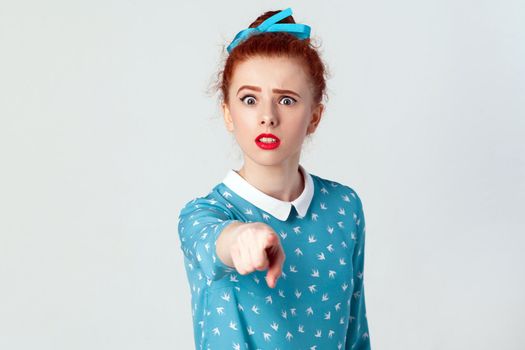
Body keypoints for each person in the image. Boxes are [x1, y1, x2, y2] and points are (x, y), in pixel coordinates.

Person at [177, 7, 371, 349]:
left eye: (286, 100)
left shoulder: (344, 207)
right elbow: (216, 244)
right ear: (227, 113)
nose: (267, 116)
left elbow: (356, 333)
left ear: (314, 116)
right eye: (250, 99)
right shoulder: (204, 215)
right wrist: (243, 237)